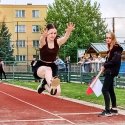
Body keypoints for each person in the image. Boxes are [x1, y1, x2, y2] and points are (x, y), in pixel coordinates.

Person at [33, 22, 75, 96]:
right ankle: (51, 83)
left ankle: (44, 86)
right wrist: (43, 36)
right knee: (47, 69)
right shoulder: (43, 41)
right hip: (40, 67)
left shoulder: (57, 42)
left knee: (57, 93)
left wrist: (68, 31)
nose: (53, 35)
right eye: (51, 33)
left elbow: (65, 38)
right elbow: (41, 40)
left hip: (52, 66)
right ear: (47, 33)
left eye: (55, 33)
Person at [98, 32, 123, 117]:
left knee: (104, 90)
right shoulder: (110, 49)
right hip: (109, 71)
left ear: (113, 39)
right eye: (106, 38)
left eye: (109, 38)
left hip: (111, 71)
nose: (107, 39)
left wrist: (105, 65)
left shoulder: (117, 48)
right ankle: (114, 109)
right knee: (110, 90)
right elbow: (109, 61)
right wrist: (104, 65)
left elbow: (115, 61)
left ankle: (107, 111)